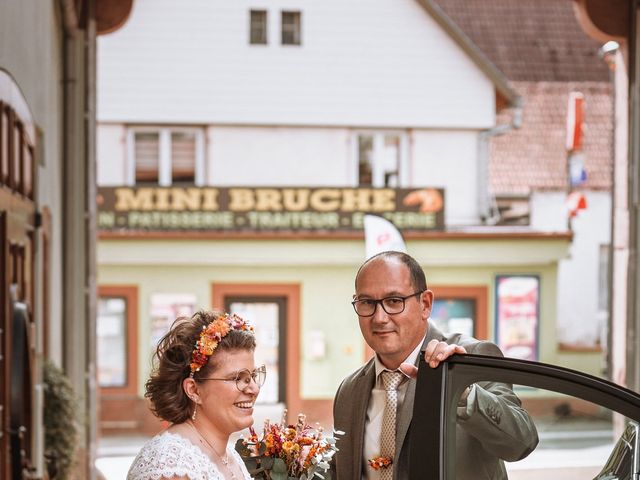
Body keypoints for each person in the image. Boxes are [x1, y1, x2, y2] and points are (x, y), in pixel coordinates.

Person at [333, 251, 538, 480]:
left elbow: (521, 442)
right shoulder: (349, 389)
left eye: (394, 301)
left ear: (425, 304)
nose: (379, 317)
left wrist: (461, 392)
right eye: (367, 302)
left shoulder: (469, 359)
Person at [127, 310, 265, 480]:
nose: (254, 389)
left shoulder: (229, 456)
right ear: (194, 390)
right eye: (237, 378)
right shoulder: (173, 464)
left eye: (253, 377)